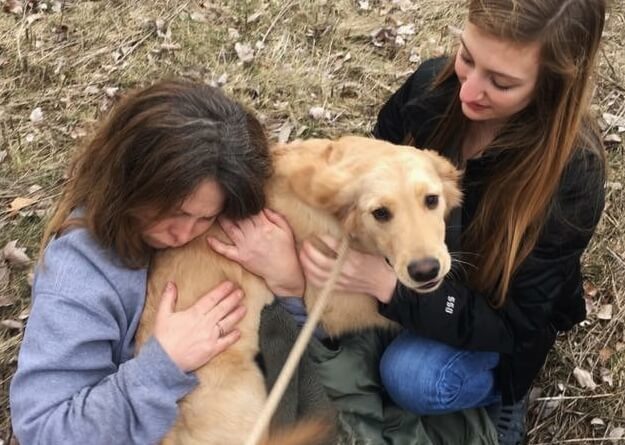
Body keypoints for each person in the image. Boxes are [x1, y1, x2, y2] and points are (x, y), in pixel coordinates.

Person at [297, 1, 607, 444]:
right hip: (410, 274)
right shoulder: (429, 89)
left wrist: (388, 287)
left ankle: (502, 394)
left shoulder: (574, 174)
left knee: (413, 377)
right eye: (466, 57)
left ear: (553, 85)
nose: (467, 92)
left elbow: (516, 324)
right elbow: (369, 179)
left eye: (500, 82)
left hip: (495, 319)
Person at [9, 80, 304, 444]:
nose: (185, 234)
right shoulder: (79, 276)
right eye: (175, 213)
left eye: (205, 217)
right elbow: (44, 430)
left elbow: (307, 369)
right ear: (130, 184)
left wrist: (291, 285)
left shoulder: (230, 229)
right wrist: (163, 364)